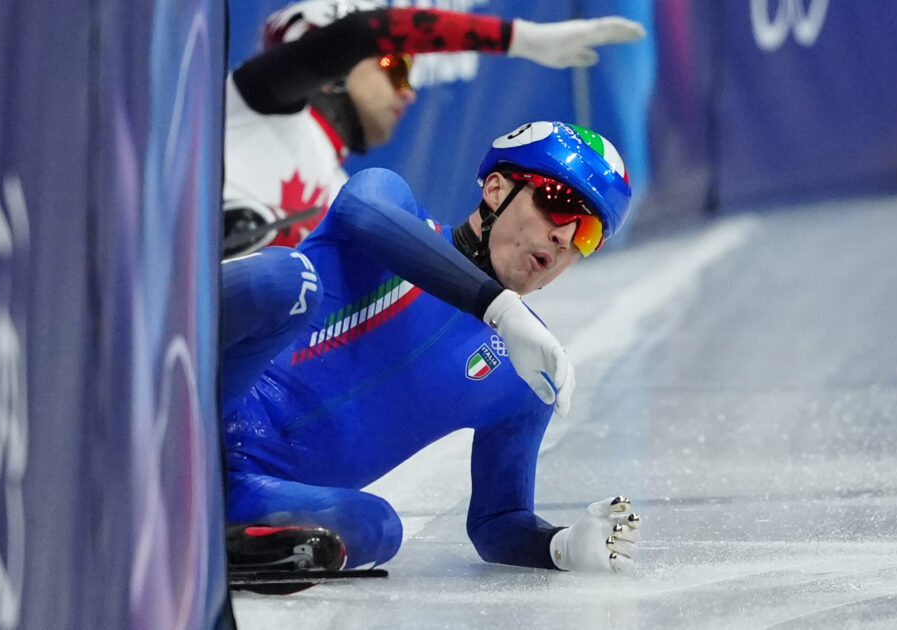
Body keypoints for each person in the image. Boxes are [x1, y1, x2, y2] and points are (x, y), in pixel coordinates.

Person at [221, 121, 641, 580]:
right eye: (558, 204)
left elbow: (497, 522)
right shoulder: (389, 198)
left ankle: (222, 537)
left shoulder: (526, 371)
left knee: (378, 529)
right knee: (286, 278)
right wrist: (497, 307)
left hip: (250, 490)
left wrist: (559, 546)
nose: (565, 236)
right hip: (199, 402)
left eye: (588, 233)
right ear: (497, 189)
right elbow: (364, 210)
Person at [222, 0, 646, 257]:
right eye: (396, 67)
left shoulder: (343, 192)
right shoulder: (249, 105)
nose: (408, 93)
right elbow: (360, 32)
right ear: (332, 69)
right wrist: (520, 38)